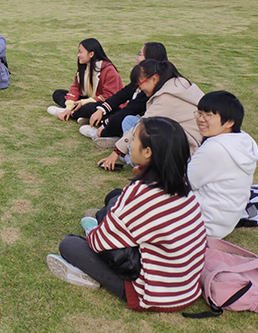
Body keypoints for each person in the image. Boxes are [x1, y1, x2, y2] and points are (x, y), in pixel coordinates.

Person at [47, 117, 207, 312]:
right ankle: (104, 220)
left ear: (148, 152)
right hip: (187, 287)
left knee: (70, 245)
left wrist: (96, 230)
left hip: (152, 293)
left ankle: (87, 271)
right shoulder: (183, 189)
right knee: (115, 199)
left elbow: (97, 243)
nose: (129, 143)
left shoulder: (141, 194)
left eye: (134, 139)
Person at [98, 60, 204, 170]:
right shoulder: (177, 83)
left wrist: (116, 152)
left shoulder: (166, 99)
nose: (140, 89)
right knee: (129, 121)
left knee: (139, 131)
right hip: (183, 139)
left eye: (140, 84)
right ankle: (129, 152)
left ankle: (138, 162)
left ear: (154, 78)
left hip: (184, 148)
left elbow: (141, 126)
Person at [189, 91, 258, 239]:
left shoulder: (215, 148)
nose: (201, 119)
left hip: (200, 224)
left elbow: (185, 183)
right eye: (199, 113)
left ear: (229, 122)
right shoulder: (242, 141)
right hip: (223, 223)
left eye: (208, 115)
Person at [80, 42, 168, 149]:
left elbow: (130, 110)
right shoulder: (144, 78)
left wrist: (105, 128)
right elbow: (122, 94)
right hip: (132, 116)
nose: (137, 58)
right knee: (97, 108)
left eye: (140, 54)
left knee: (123, 119)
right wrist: (101, 110)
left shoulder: (152, 87)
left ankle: (105, 134)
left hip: (143, 124)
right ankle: (101, 124)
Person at [48, 38, 123, 123]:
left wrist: (84, 102)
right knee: (58, 93)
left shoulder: (108, 70)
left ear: (91, 54)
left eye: (80, 52)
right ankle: (73, 112)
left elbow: (109, 96)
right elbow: (76, 87)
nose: (78, 55)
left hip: (105, 103)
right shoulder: (84, 66)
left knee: (89, 107)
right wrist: (69, 106)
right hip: (89, 99)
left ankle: (74, 113)